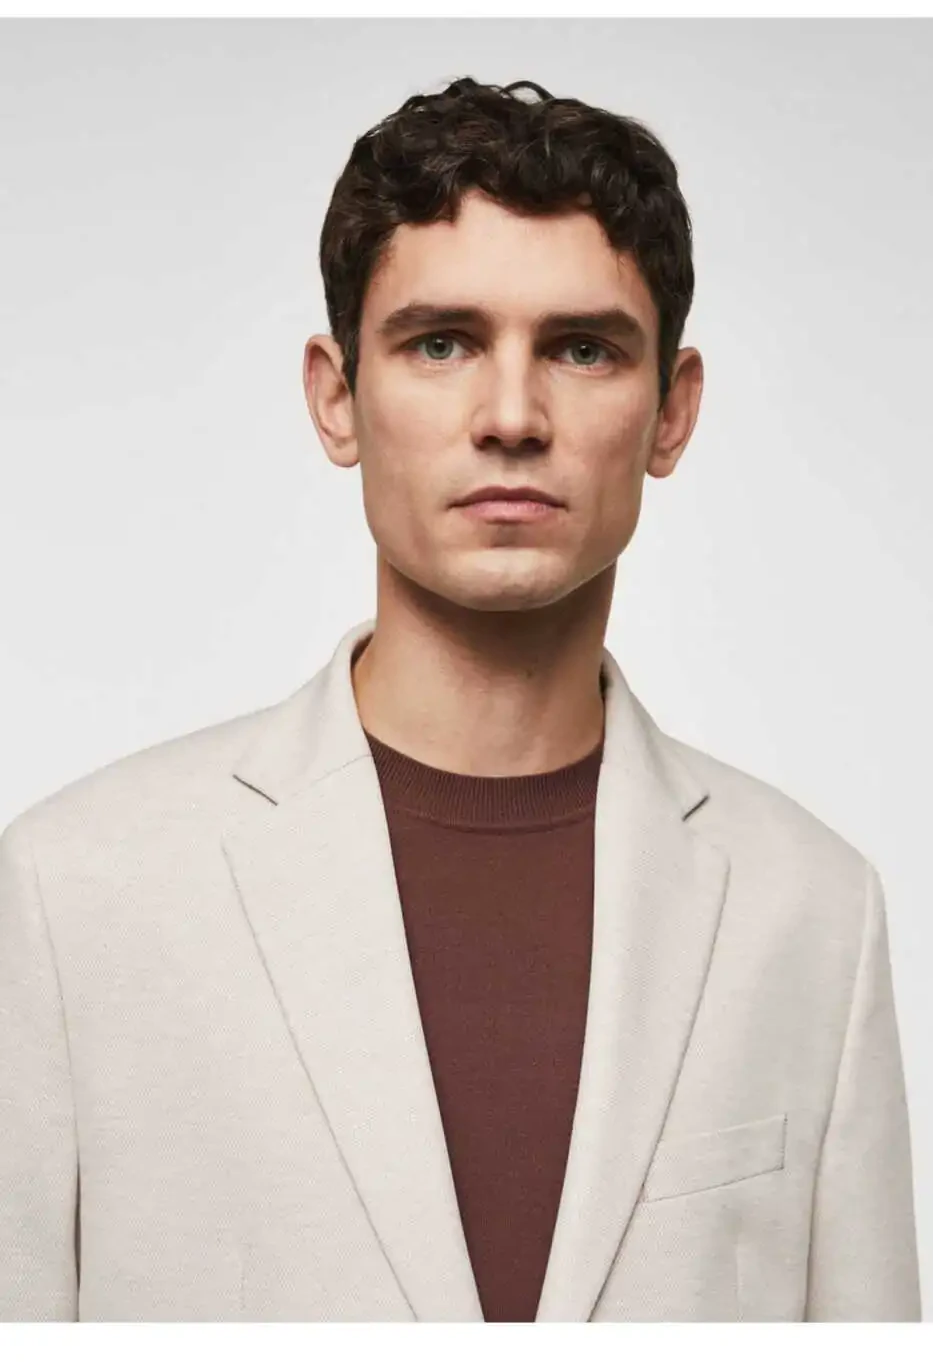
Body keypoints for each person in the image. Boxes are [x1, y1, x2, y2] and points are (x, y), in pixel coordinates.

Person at [0, 76, 921, 1323]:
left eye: (582, 348)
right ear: (337, 396)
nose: (511, 417)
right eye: (441, 342)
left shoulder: (812, 909)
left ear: (672, 411)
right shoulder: (72, 891)